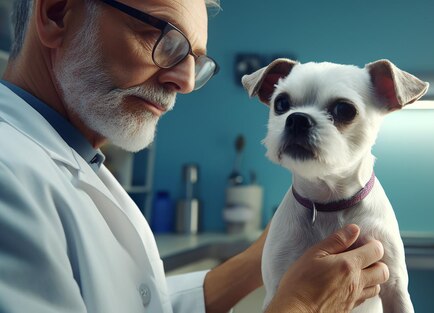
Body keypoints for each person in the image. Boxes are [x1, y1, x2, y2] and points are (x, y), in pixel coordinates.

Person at [0, 0, 390, 312]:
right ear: (56, 14)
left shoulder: (80, 163)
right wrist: (301, 305)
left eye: (194, 60)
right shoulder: (10, 175)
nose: (185, 82)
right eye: (163, 38)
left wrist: (260, 261)